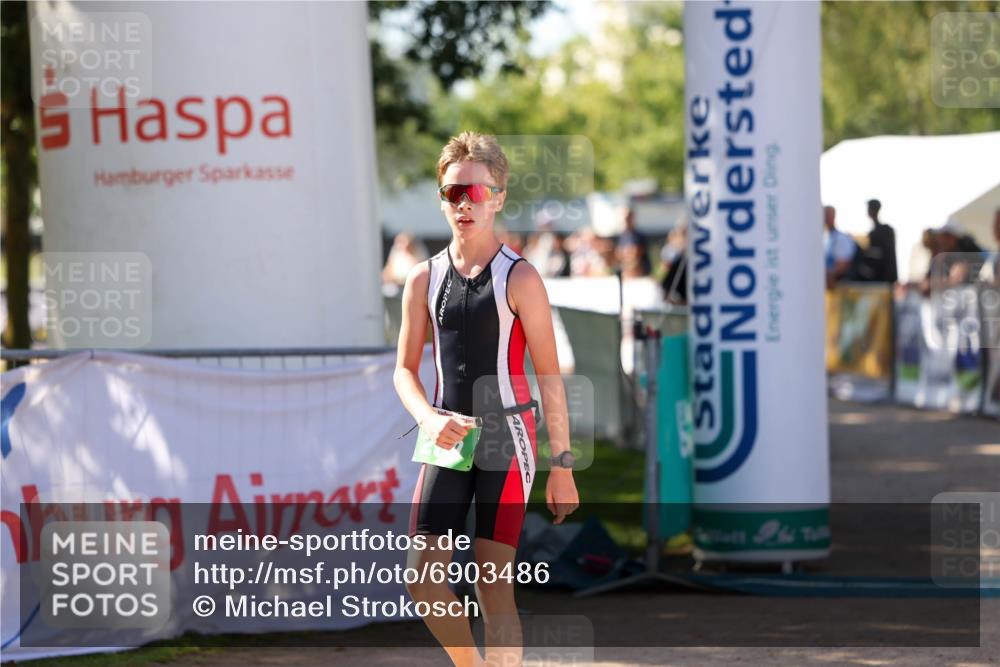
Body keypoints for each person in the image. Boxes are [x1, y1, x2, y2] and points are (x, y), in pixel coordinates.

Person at [393, 132, 579, 667]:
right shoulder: (421, 279)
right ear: (441, 198)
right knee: (421, 581)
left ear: (498, 197)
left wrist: (562, 464)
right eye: (454, 193)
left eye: (476, 192)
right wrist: (427, 418)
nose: (465, 204)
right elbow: (404, 371)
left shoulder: (520, 277)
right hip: (445, 437)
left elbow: (550, 377)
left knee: (492, 585)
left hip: (506, 436)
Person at [854, 199, 897, 284]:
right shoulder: (880, 231)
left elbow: (881, 257)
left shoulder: (882, 232)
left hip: (881, 281)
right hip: (882, 280)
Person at [823, 205, 857, 289]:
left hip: (840, 288)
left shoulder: (841, 238)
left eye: (827, 215)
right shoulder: (826, 238)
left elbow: (841, 266)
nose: (824, 218)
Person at [615, 206, 651, 277]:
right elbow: (618, 254)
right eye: (624, 217)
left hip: (640, 273)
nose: (625, 219)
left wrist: (627, 253)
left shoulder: (639, 235)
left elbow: (636, 253)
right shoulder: (622, 236)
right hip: (627, 272)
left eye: (628, 217)